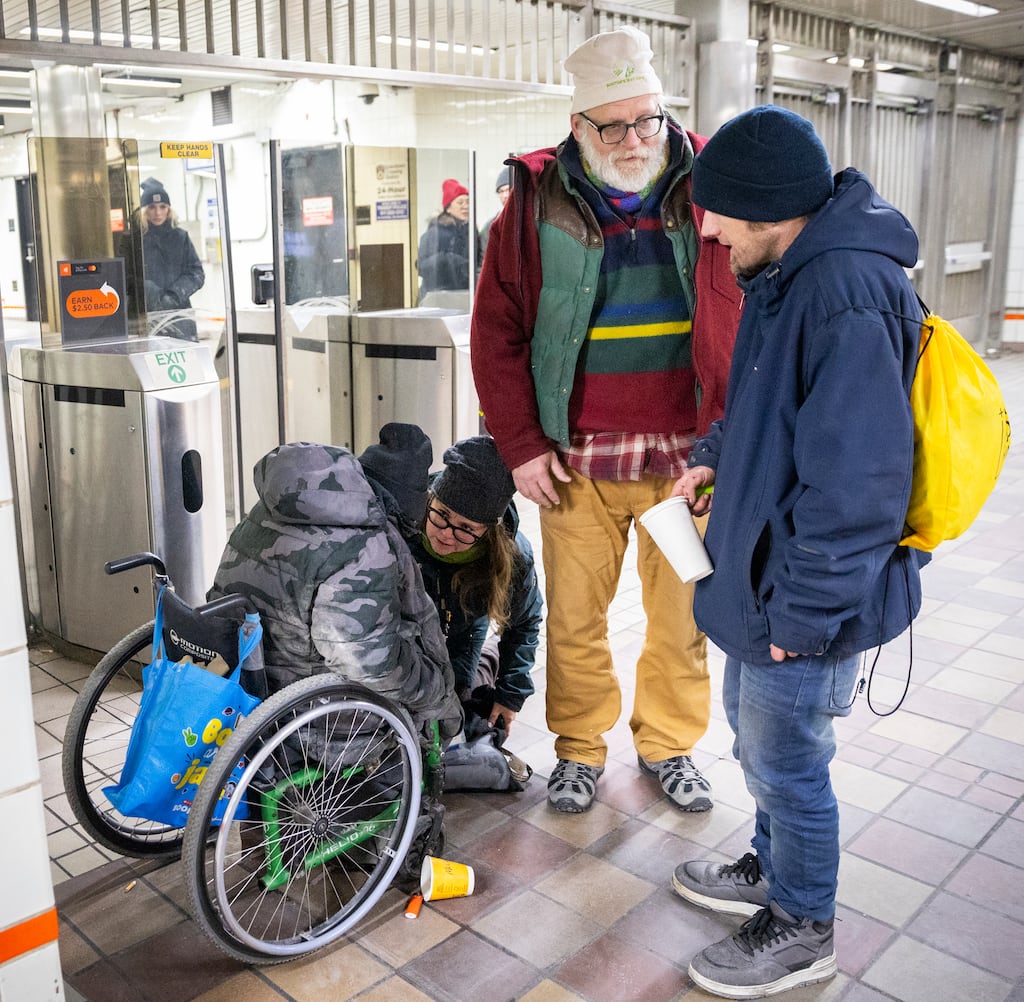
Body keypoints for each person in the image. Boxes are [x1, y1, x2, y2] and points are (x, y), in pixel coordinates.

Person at [666, 106, 925, 999]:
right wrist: (709, 460)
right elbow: (763, 405)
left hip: (805, 594)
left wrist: (806, 615)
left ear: (771, 206)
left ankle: (806, 923)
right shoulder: (791, 272)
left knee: (786, 758)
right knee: (754, 733)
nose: (710, 229)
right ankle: (772, 870)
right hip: (764, 576)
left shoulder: (845, 289)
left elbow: (859, 482)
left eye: (721, 212)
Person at [470, 25, 740, 815]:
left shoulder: (712, 191)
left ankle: (669, 745)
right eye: (613, 125)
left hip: (686, 461)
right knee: (578, 620)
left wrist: (731, 441)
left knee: (681, 614)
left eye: (648, 119)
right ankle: (580, 750)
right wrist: (519, 447)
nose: (635, 139)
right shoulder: (530, 207)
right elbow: (496, 335)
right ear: (579, 127)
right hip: (575, 464)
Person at [210, 440, 463, 741]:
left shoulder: (262, 516)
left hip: (240, 692)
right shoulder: (364, 548)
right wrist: (436, 692)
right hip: (311, 725)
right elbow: (371, 662)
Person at [364, 434, 540, 737]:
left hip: (463, 633)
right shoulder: (403, 523)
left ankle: (488, 660)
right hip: (405, 635)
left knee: (452, 712)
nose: (447, 534)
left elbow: (524, 624)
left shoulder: (513, 557)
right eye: (442, 515)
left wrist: (510, 695)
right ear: (432, 498)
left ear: (489, 531)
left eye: (467, 529)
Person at [140, 178, 204, 313]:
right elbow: (126, 277)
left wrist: (174, 295)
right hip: (145, 312)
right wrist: (150, 292)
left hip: (179, 312)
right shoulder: (133, 240)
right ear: (144, 211)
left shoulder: (181, 237)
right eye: (152, 207)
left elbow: (196, 273)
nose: (158, 213)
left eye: (162, 206)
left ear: (169, 209)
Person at [418, 179, 482, 297]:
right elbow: (422, 267)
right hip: (438, 295)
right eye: (460, 202)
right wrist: (448, 259)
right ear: (448, 208)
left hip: (465, 295)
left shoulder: (472, 232)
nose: (466, 206)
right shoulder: (435, 233)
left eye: (468, 202)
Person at [479, 165, 513, 259]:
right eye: (501, 191)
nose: (505, 195)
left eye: (508, 189)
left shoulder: (530, 221)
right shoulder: (491, 226)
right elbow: (484, 260)